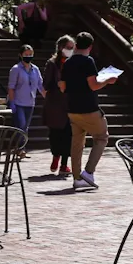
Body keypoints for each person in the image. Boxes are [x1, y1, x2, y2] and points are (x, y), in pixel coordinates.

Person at [59, 31, 115, 191]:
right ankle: (88, 172)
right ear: (90, 47)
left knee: (77, 143)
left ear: (76, 45)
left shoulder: (67, 63)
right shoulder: (88, 61)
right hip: (88, 107)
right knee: (102, 137)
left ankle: (77, 177)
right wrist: (107, 81)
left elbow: (62, 87)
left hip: (72, 108)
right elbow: (93, 85)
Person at [40, 35, 74, 177]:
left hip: (70, 103)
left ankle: (64, 164)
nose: (71, 50)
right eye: (68, 47)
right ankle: (55, 157)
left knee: (69, 134)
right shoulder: (52, 63)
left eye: (73, 48)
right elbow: (46, 84)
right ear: (61, 47)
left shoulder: (73, 62)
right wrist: (57, 86)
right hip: (55, 103)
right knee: (55, 133)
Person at [6, 45, 43, 154]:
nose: (28, 56)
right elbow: (11, 87)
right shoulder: (16, 69)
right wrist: (12, 102)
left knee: (25, 126)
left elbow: (40, 85)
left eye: (30, 54)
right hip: (18, 102)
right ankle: (19, 148)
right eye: (26, 54)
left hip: (30, 102)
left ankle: (21, 147)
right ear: (21, 55)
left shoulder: (35, 69)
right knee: (20, 125)